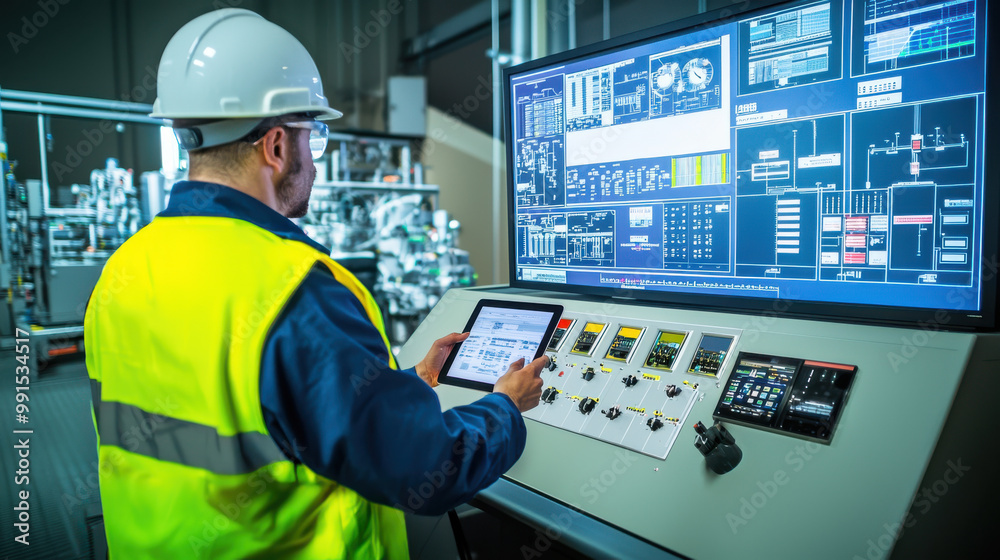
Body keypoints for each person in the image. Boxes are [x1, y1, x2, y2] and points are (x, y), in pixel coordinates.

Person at [84, 8, 546, 559]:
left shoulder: (125, 270)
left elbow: (249, 410)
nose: (314, 161)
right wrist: (505, 408)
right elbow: (426, 469)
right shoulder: (294, 289)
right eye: (314, 139)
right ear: (277, 147)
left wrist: (409, 384)